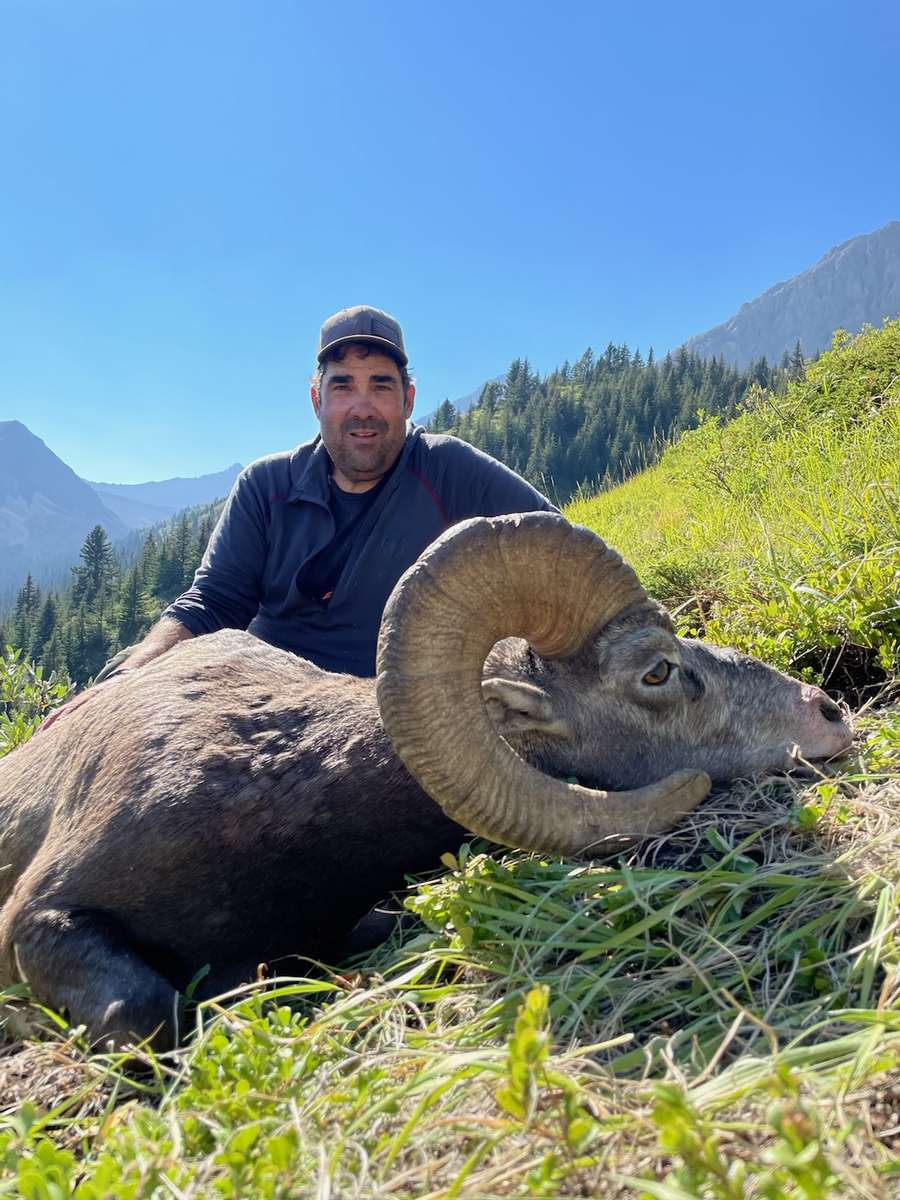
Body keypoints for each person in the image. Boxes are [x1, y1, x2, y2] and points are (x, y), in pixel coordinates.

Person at [42, 305, 555, 728]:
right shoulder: (266, 485)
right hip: (265, 711)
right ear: (316, 399)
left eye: (381, 386)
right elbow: (214, 602)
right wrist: (127, 679)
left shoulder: (450, 471)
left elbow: (557, 546)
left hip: (395, 718)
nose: (362, 407)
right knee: (126, 695)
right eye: (342, 386)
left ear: (408, 399)